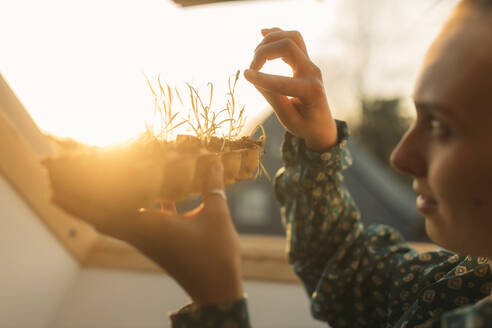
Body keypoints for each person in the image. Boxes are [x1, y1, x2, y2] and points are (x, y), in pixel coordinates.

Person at [53, 0, 492, 326]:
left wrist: (215, 299)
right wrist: (318, 144)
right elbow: (350, 274)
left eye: (440, 125)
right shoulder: (467, 280)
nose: (401, 156)